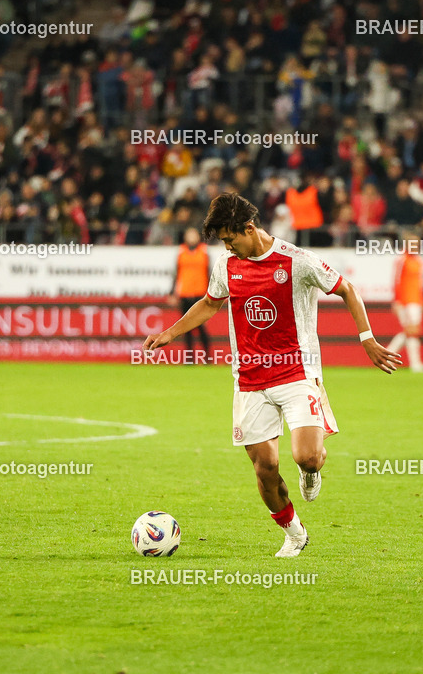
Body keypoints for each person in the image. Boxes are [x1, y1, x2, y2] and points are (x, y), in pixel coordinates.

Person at [143, 193, 401, 558]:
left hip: (297, 371)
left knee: (307, 457)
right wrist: (172, 332)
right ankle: (294, 532)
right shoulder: (227, 265)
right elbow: (210, 303)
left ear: (249, 228)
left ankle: (312, 471)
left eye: (231, 240)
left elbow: (346, 288)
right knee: (265, 469)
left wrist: (368, 339)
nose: (229, 248)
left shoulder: (297, 261)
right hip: (249, 379)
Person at [387, 230, 423, 372]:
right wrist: (397, 300)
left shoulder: (418, 261)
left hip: (415, 300)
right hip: (405, 300)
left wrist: (422, 301)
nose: (415, 246)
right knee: (412, 330)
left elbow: (419, 283)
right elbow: (396, 280)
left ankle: (388, 355)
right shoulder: (401, 259)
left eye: (417, 244)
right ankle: (415, 363)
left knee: (410, 331)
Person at [170, 227, 211, 359]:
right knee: (185, 328)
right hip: (185, 294)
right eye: (189, 235)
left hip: (200, 294)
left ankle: (207, 357)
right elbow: (176, 274)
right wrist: (172, 292)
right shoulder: (181, 252)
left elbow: (210, 273)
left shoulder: (204, 251)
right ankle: (189, 358)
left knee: (201, 327)